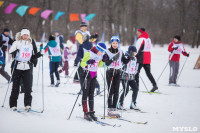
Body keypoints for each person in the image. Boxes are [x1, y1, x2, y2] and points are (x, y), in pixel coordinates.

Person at [9, 29, 43, 111]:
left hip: (27, 67)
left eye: (27, 35)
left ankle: (28, 104)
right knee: (15, 87)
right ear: (21, 35)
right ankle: (13, 105)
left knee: (28, 87)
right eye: (24, 35)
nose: (25, 36)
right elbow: (10, 51)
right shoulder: (16, 42)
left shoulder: (30, 44)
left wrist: (39, 54)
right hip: (17, 67)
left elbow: (31, 57)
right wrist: (16, 49)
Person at [103, 36, 130, 117]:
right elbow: (106, 63)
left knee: (116, 91)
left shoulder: (120, 51)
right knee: (111, 91)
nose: (115, 44)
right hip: (110, 72)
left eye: (116, 43)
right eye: (113, 43)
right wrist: (112, 59)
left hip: (118, 72)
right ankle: (109, 108)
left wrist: (129, 57)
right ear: (111, 43)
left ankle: (114, 108)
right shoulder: (107, 51)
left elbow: (124, 61)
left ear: (118, 44)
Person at [80, 42, 107, 121]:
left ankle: (91, 112)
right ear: (98, 49)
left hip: (94, 75)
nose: (102, 53)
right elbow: (82, 63)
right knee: (85, 93)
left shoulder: (99, 55)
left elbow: (98, 65)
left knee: (91, 94)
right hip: (86, 74)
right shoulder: (89, 53)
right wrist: (88, 62)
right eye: (101, 51)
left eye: (103, 52)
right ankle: (86, 112)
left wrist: (103, 60)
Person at [135, 28, 158, 92]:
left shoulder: (141, 39)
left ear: (141, 33)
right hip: (147, 57)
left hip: (141, 58)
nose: (137, 33)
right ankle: (154, 85)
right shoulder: (148, 39)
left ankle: (136, 86)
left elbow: (137, 49)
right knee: (148, 73)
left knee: (136, 72)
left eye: (138, 32)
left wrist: (134, 56)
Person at [117, 46, 139, 110]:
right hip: (124, 76)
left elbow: (135, 66)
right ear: (131, 52)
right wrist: (129, 58)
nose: (135, 54)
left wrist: (136, 71)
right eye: (134, 52)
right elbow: (123, 64)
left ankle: (133, 103)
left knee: (135, 88)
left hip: (131, 77)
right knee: (126, 90)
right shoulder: (126, 56)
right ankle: (120, 103)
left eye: (135, 52)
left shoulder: (135, 58)